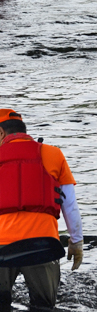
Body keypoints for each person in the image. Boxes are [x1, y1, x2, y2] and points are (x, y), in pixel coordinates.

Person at [0, 109, 83, 310]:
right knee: (44, 307)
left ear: (1, 133)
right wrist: (76, 242)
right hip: (43, 245)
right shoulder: (54, 154)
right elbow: (70, 205)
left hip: (1, 247)